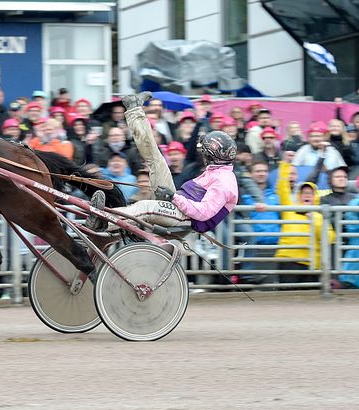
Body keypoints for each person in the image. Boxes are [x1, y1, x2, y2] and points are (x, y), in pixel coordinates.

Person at [87, 91, 239, 235]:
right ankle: (134, 109)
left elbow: (203, 212)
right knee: (156, 158)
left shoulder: (223, 182)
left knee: (146, 206)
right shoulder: (217, 171)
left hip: (185, 219)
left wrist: (173, 197)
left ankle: (104, 221)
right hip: (178, 205)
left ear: (213, 155)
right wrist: (174, 197)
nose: (202, 154)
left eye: (204, 151)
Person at [273, 154, 335, 284]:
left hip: (311, 264)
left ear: (315, 197)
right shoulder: (289, 208)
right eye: (304, 193)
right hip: (288, 262)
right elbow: (282, 187)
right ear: (299, 196)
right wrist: (286, 163)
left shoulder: (320, 216)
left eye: (310, 193)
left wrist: (315, 220)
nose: (307, 195)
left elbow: (329, 238)